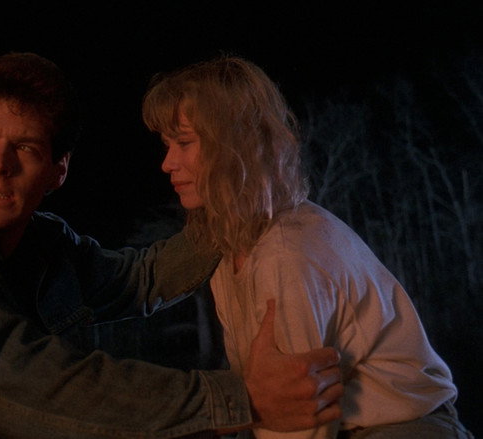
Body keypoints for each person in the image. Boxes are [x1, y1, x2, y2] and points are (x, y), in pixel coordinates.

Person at [0, 52, 343, 438]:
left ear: (58, 170)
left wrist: (232, 195)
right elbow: (23, 383)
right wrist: (240, 400)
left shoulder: (44, 245)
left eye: (25, 148)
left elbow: (142, 278)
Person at [142, 55, 473, 438]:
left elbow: (299, 421)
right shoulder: (231, 242)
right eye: (167, 144)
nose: (168, 163)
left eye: (184, 143)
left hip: (405, 428)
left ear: (234, 146)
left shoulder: (286, 254)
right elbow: (265, 396)